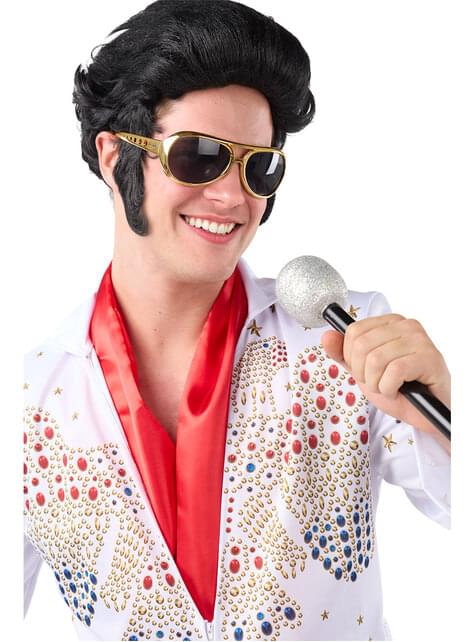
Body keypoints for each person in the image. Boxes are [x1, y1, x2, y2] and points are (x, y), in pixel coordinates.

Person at [23, 1, 451, 640]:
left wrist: (450, 414)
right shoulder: (29, 399)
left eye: (258, 166)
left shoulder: (348, 342)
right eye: (197, 156)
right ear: (114, 158)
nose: (232, 196)